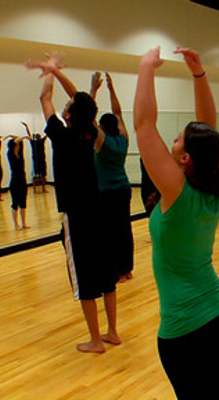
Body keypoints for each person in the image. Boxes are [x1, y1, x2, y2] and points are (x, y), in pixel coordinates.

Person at [134, 46, 219, 398]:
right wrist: (198, 73)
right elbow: (208, 128)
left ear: (185, 158)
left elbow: (144, 125)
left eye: (176, 139)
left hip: (183, 329)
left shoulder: (177, 190)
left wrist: (146, 67)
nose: (172, 140)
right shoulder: (215, 182)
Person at [26, 51, 120, 354]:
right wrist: (55, 69)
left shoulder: (61, 135)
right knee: (106, 273)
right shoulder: (90, 131)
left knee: (85, 277)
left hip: (77, 215)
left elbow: (46, 97)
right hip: (98, 210)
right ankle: (112, 332)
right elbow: (78, 99)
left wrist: (50, 71)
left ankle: (95, 340)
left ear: (67, 115)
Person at [90, 71, 135, 283]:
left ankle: (117, 272)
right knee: (124, 228)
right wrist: (110, 88)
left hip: (106, 192)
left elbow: (87, 116)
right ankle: (127, 269)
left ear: (102, 127)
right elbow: (118, 111)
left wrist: (93, 90)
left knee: (109, 233)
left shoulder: (102, 142)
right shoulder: (123, 139)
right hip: (124, 189)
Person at [7, 135, 31, 230]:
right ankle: (16, 224)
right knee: (15, 204)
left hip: (22, 181)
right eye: (17, 144)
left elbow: (18, 141)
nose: (19, 146)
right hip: (15, 182)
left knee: (23, 203)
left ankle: (24, 223)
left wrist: (12, 136)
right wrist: (24, 137)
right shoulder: (10, 154)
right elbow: (16, 141)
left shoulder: (20, 154)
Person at [22, 122, 49, 193]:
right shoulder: (34, 142)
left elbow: (47, 135)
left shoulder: (41, 141)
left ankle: (43, 189)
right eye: (38, 136)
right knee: (35, 176)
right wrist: (26, 127)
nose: (39, 137)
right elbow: (29, 134)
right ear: (37, 137)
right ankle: (35, 190)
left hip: (42, 160)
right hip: (36, 161)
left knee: (43, 175)